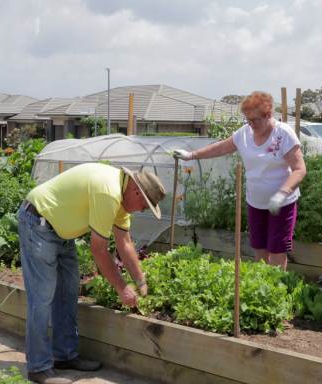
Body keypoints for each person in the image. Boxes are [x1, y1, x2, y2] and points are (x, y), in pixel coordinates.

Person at [17, 162, 166, 384]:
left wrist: (140, 281)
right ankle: (38, 367)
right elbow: (99, 251)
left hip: (60, 230)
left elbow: (124, 242)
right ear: (136, 191)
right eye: (145, 205)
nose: (142, 210)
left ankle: (64, 356)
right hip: (38, 222)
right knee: (42, 297)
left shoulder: (121, 199)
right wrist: (122, 288)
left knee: (68, 292)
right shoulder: (109, 192)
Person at [173, 91, 306, 270]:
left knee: (277, 249)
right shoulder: (244, 133)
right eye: (247, 120)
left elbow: (299, 170)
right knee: (259, 248)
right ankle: (261, 284)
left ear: (268, 115)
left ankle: (275, 288)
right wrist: (191, 155)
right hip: (256, 202)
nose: (251, 124)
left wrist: (282, 193)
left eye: (255, 120)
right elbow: (220, 148)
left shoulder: (283, 134)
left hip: (282, 204)